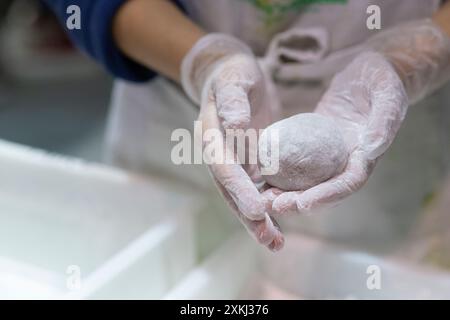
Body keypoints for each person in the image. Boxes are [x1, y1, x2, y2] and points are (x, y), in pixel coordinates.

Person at [43, 0, 450, 251]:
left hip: (382, 127)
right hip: (180, 105)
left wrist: (413, 58)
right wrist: (202, 60)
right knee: (175, 272)